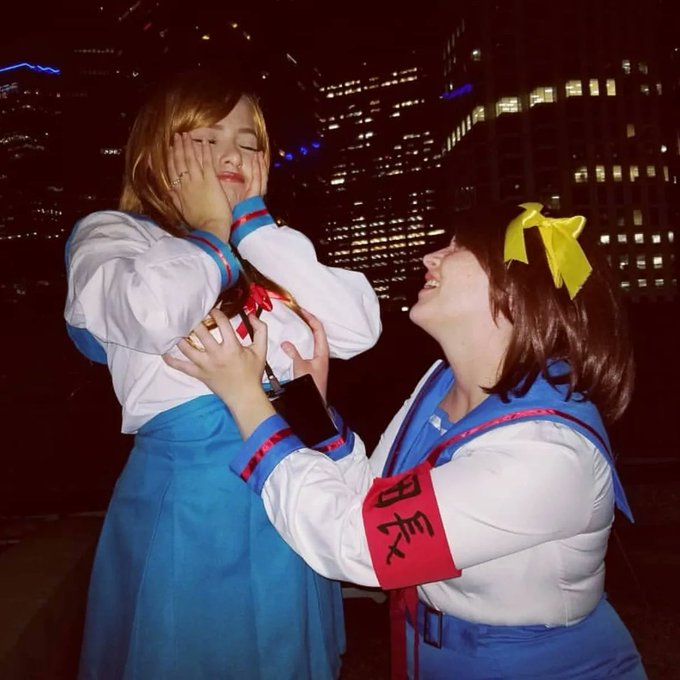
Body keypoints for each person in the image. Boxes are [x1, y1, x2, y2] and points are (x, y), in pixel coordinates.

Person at [165, 201, 647, 679]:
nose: (429, 257)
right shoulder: (443, 384)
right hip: (434, 656)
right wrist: (312, 408)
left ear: (516, 288)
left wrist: (246, 398)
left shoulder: (546, 454)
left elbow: (358, 545)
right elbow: (375, 497)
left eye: (457, 249)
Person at [64, 68, 381, 680]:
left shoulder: (265, 252)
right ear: (156, 152)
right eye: (207, 139)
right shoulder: (113, 235)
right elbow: (151, 312)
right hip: (194, 499)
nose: (233, 155)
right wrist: (212, 233)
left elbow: (355, 329)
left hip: (293, 484)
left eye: (249, 142)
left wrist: (254, 229)